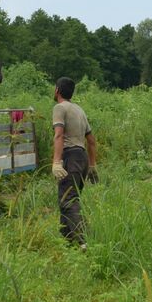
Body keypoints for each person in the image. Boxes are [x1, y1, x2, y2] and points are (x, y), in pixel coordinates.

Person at [50, 77, 98, 248]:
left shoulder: (59, 108)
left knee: (68, 200)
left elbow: (59, 135)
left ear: (57, 90)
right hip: (82, 157)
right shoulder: (79, 110)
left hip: (70, 157)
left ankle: (86, 241)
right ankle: (67, 241)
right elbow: (91, 141)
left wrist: (56, 161)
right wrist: (92, 166)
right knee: (68, 200)